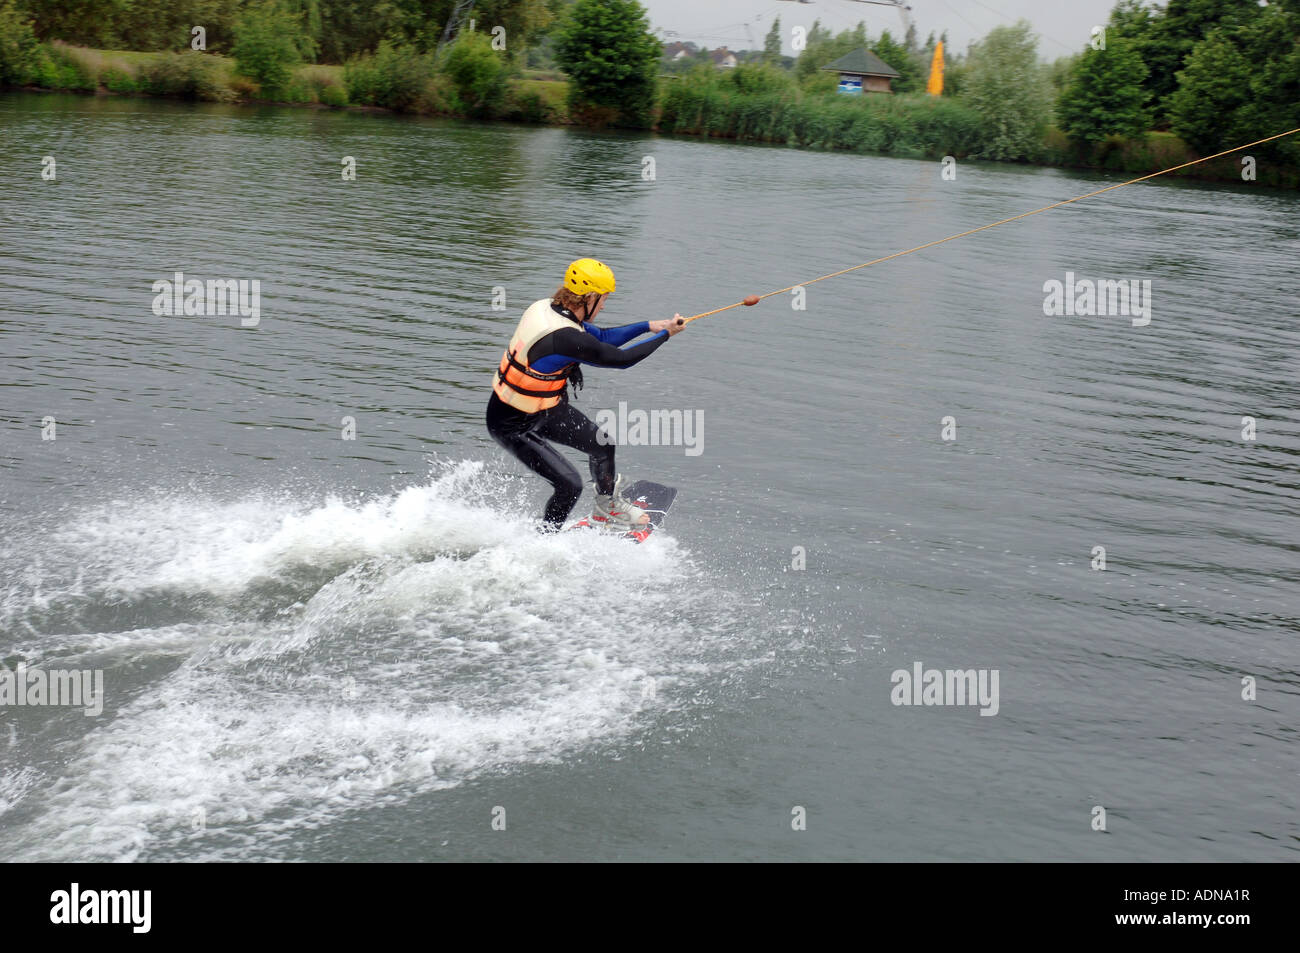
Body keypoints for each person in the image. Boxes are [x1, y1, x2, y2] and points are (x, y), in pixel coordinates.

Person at [487, 258, 684, 531]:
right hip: (510, 423)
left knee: (603, 445)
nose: (604, 305)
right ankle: (543, 542)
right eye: (603, 299)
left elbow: (601, 338)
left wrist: (650, 326)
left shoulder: (548, 308)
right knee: (569, 485)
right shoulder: (565, 337)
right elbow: (621, 359)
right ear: (589, 297)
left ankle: (606, 507)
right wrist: (666, 336)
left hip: (544, 408)